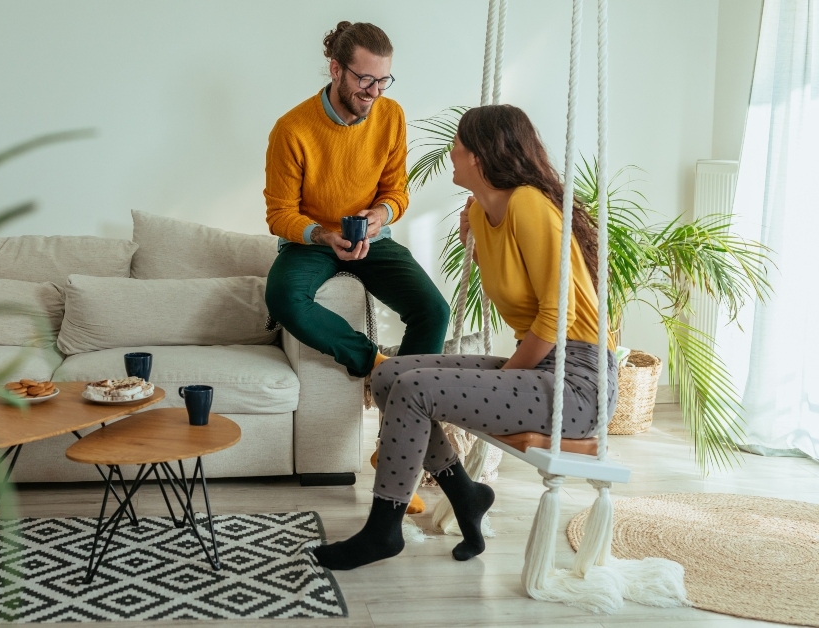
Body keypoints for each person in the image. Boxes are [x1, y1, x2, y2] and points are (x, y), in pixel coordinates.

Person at [312, 104, 619, 571]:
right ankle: (467, 495)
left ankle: (383, 529)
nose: (451, 151)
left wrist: (508, 376)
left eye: (459, 142)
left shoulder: (529, 204)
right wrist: (472, 240)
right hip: (539, 366)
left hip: (576, 384)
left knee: (416, 388)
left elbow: (559, 317)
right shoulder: (482, 211)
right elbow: (515, 283)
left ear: (480, 154)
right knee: (391, 375)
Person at [263, 21, 450, 511]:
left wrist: (380, 215)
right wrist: (322, 234)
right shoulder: (293, 128)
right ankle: (375, 365)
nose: (373, 91)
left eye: (383, 80)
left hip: (373, 237)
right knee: (283, 297)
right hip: (313, 241)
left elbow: (397, 190)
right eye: (364, 80)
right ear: (336, 69)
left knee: (434, 311)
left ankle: (396, 448)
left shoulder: (390, 115)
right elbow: (278, 213)